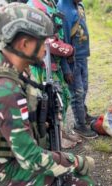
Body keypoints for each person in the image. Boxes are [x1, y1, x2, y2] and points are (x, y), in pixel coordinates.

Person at [0, 3, 94, 186]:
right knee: (82, 185)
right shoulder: (5, 90)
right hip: (1, 174)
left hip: (0, 159)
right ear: (25, 44)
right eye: (43, 40)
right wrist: (76, 162)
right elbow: (31, 158)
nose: (47, 47)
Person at [27, 0, 82, 148]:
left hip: (56, 64)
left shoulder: (52, 4)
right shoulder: (35, 6)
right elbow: (47, 41)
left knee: (63, 98)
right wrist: (69, 50)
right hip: (42, 67)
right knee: (48, 104)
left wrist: (66, 68)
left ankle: (61, 131)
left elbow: (60, 36)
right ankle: (52, 139)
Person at [58, 0, 98, 138]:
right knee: (77, 93)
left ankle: (83, 114)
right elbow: (61, 42)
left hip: (81, 57)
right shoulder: (63, 11)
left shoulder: (79, 5)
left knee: (84, 88)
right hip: (71, 61)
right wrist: (66, 69)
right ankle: (79, 125)